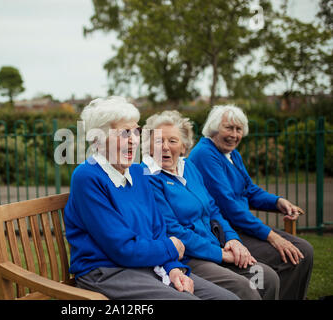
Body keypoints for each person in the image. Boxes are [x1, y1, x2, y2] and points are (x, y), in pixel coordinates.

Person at [64, 96, 239, 300]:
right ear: (99, 140)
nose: (133, 140)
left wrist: (173, 268)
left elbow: (157, 229)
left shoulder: (138, 173)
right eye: (124, 133)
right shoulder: (87, 177)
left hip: (146, 265)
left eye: (135, 132)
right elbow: (121, 248)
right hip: (105, 271)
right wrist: (171, 248)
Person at [140, 110, 279, 300]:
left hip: (217, 246)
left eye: (172, 141)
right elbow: (173, 230)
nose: (164, 147)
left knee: (267, 277)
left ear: (183, 146)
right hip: (190, 257)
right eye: (158, 141)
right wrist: (220, 254)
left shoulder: (188, 167)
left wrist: (232, 240)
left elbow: (213, 209)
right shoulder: (148, 176)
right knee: (245, 287)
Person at [189, 104, 314, 300]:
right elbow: (229, 207)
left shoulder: (232, 154)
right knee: (295, 256)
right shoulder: (205, 154)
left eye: (239, 129)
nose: (234, 135)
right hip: (226, 232)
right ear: (214, 128)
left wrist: (278, 201)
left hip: (241, 226)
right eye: (229, 128)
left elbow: (250, 190)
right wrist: (272, 236)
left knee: (303, 250)